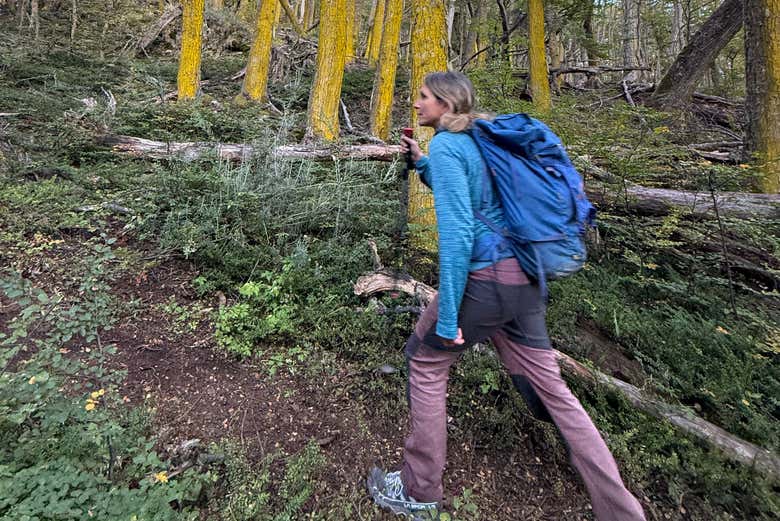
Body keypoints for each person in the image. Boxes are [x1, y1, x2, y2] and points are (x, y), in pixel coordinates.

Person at [366, 71, 646, 521]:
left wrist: (447, 315)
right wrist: (421, 164)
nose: (416, 104)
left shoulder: (452, 145)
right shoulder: (483, 140)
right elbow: (477, 201)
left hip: (487, 282)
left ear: (446, 105)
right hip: (526, 281)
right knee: (554, 390)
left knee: (425, 361)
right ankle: (623, 512)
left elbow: (458, 235)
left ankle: (419, 492)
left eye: (423, 98)